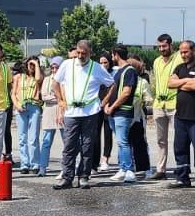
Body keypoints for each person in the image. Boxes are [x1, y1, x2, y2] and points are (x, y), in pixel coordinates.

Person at [54, 40, 111, 189]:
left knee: (87, 146)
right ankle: (67, 177)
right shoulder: (67, 64)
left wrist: (103, 102)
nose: (80, 56)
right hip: (71, 112)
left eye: (83, 53)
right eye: (78, 53)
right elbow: (55, 83)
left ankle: (84, 176)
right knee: (69, 146)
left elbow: (111, 84)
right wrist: (60, 100)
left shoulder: (97, 68)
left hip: (90, 113)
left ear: (90, 53)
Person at [168, 39, 195, 190]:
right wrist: (186, 80)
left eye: (186, 52)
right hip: (181, 116)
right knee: (180, 147)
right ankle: (182, 178)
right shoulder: (179, 67)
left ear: (193, 50)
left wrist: (181, 82)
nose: (183, 55)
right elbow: (170, 83)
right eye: (181, 52)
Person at [103, 45, 141, 183]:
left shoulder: (129, 71)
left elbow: (126, 93)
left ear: (116, 54)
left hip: (123, 112)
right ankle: (123, 168)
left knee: (123, 141)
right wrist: (106, 104)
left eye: (112, 55)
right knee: (120, 141)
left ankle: (129, 170)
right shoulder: (119, 71)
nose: (111, 57)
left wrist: (112, 106)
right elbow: (114, 90)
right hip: (114, 112)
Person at [149, 33, 177, 180]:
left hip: (174, 103)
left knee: (180, 138)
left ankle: (182, 166)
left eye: (164, 46)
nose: (161, 49)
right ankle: (161, 169)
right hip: (159, 104)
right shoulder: (156, 61)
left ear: (171, 45)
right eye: (159, 46)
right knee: (160, 140)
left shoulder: (178, 58)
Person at [12, 56, 44, 175]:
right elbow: (13, 94)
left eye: (34, 65)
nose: (31, 67)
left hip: (34, 107)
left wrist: (36, 64)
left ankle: (35, 163)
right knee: (22, 137)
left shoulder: (39, 77)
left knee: (33, 137)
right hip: (21, 107)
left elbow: (38, 79)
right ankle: (24, 164)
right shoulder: (18, 77)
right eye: (30, 64)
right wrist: (17, 105)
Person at [125, 53, 153, 186]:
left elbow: (148, 99)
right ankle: (126, 167)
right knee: (125, 143)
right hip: (124, 117)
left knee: (140, 143)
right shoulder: (122, 81)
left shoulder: (142, 82)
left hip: (137, 117)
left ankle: (145, 168)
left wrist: (144, 102)